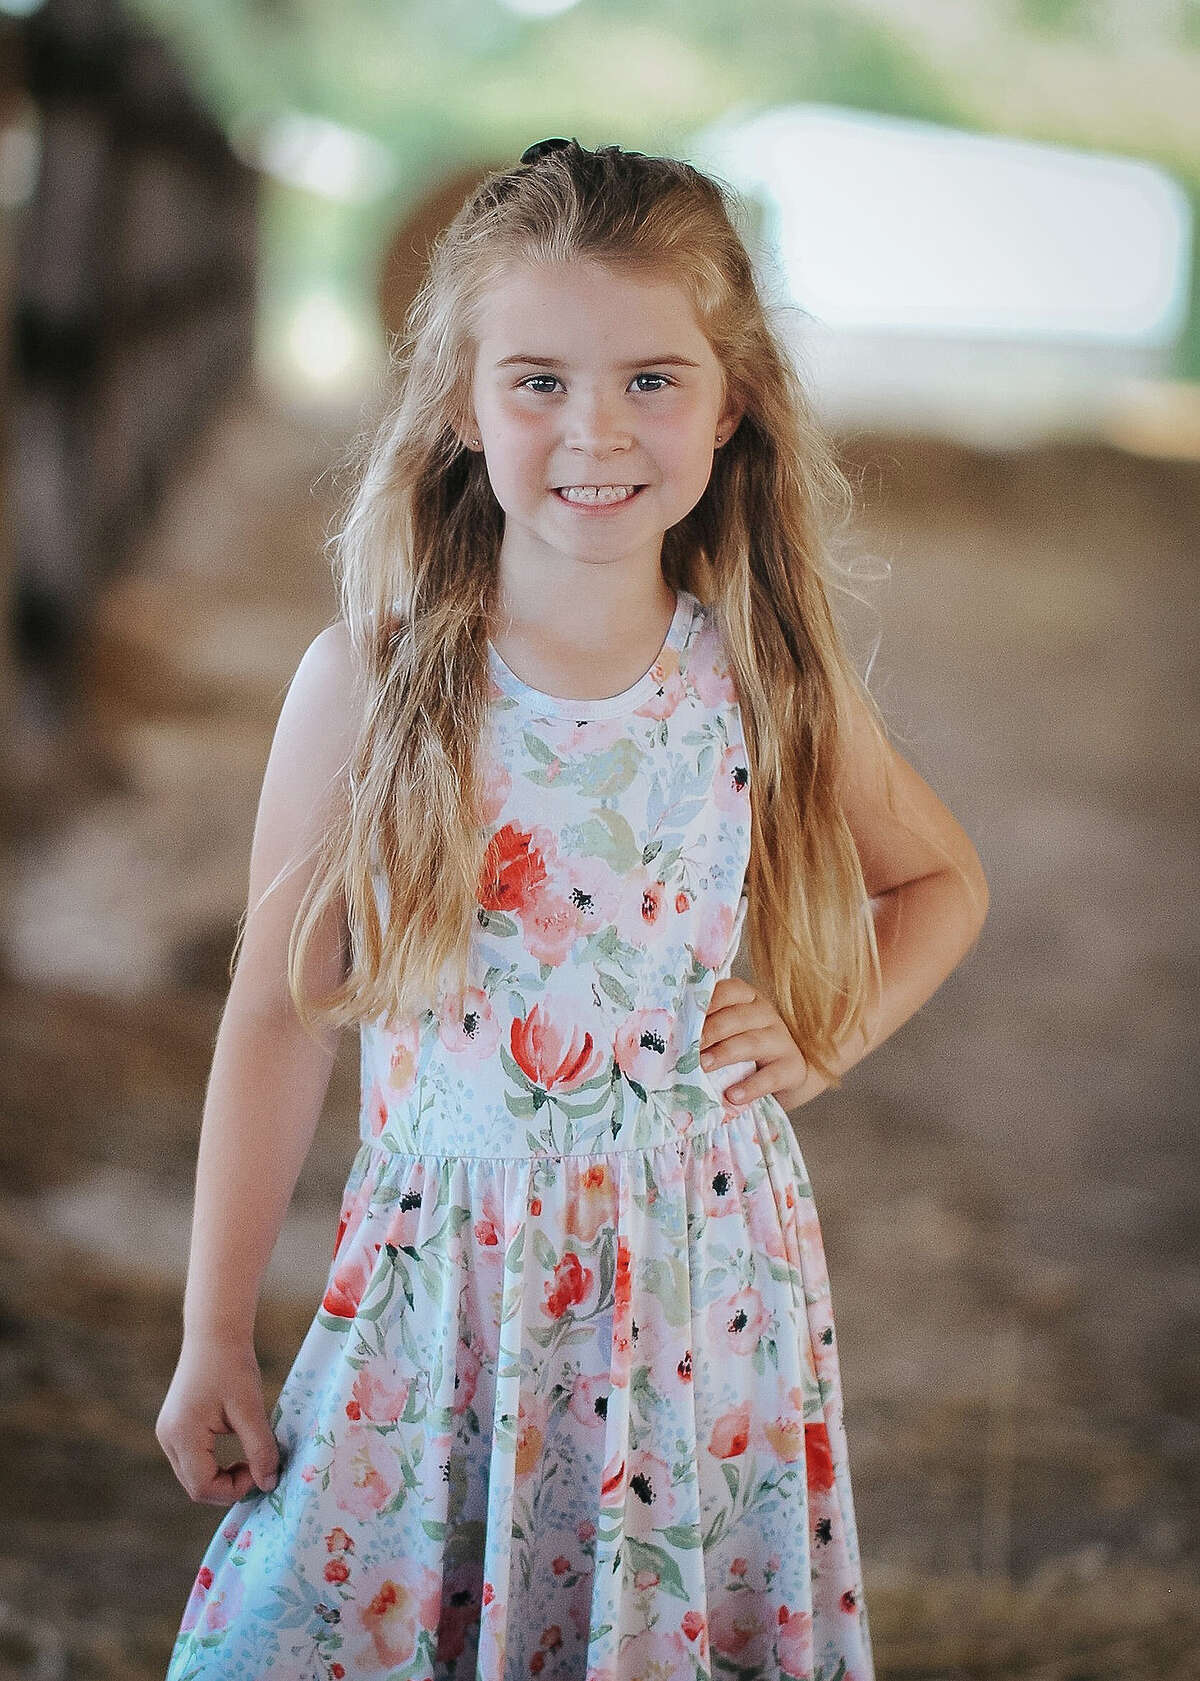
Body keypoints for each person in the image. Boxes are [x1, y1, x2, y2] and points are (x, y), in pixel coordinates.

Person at [156, 136, 988, 1681]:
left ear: (731, 401)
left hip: (699, 1293)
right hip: (445, 1287)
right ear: (462, 406)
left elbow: (941, 882)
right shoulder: (375, 681)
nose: (592, 429)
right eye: (536, 379)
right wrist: (214, 1330)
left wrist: (830, 1027)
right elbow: (278, 1009)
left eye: (651, 381)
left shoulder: (760, 675)